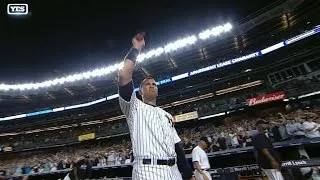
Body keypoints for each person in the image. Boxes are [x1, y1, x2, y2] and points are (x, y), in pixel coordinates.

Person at [118, 33, 195, 180]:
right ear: (140, 91)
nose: (151, 85)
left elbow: (177, 147)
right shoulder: (134, 107)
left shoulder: (166, 115)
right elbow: (124, 74)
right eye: (147, 84)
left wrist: (189, 174)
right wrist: (136, 48)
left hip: (174, 172)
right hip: (148, 170)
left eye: (154, 84)